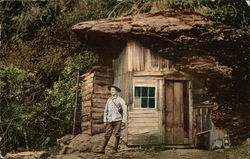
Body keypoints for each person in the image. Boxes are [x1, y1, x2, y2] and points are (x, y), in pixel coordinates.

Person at [97, 85, 127, 154]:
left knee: (117, 134)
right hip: (110, 120)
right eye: (111, 90)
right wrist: (105, 120)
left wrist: (123, 121)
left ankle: (115, 149)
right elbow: (105, 111)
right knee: (107, 134)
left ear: (116, 91)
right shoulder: (109, 100)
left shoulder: (120, 100)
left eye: (113, 90)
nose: (112, 91)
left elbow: (125, 111)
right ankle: (102, 149)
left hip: (118, 120)